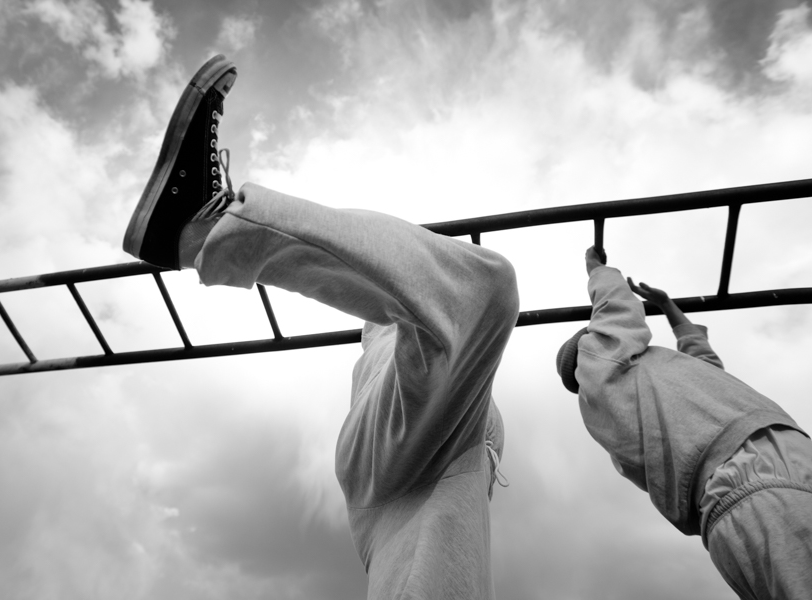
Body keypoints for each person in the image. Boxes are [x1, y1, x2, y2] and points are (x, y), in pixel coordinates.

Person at [124, 55, 519, 600]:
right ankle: (207, 232)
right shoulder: (393, 352)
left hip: (408, 465)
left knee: (476, 296)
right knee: (452, 303)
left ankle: (203, 231)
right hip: (410, 460)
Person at [555, 246, 812, 599]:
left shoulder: (644, 390)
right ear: (585, 350)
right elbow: (615, 309)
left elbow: (703, 362)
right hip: (757, 487)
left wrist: (670, 308)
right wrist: (598, 269)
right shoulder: (598, 362)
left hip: (766, 491)